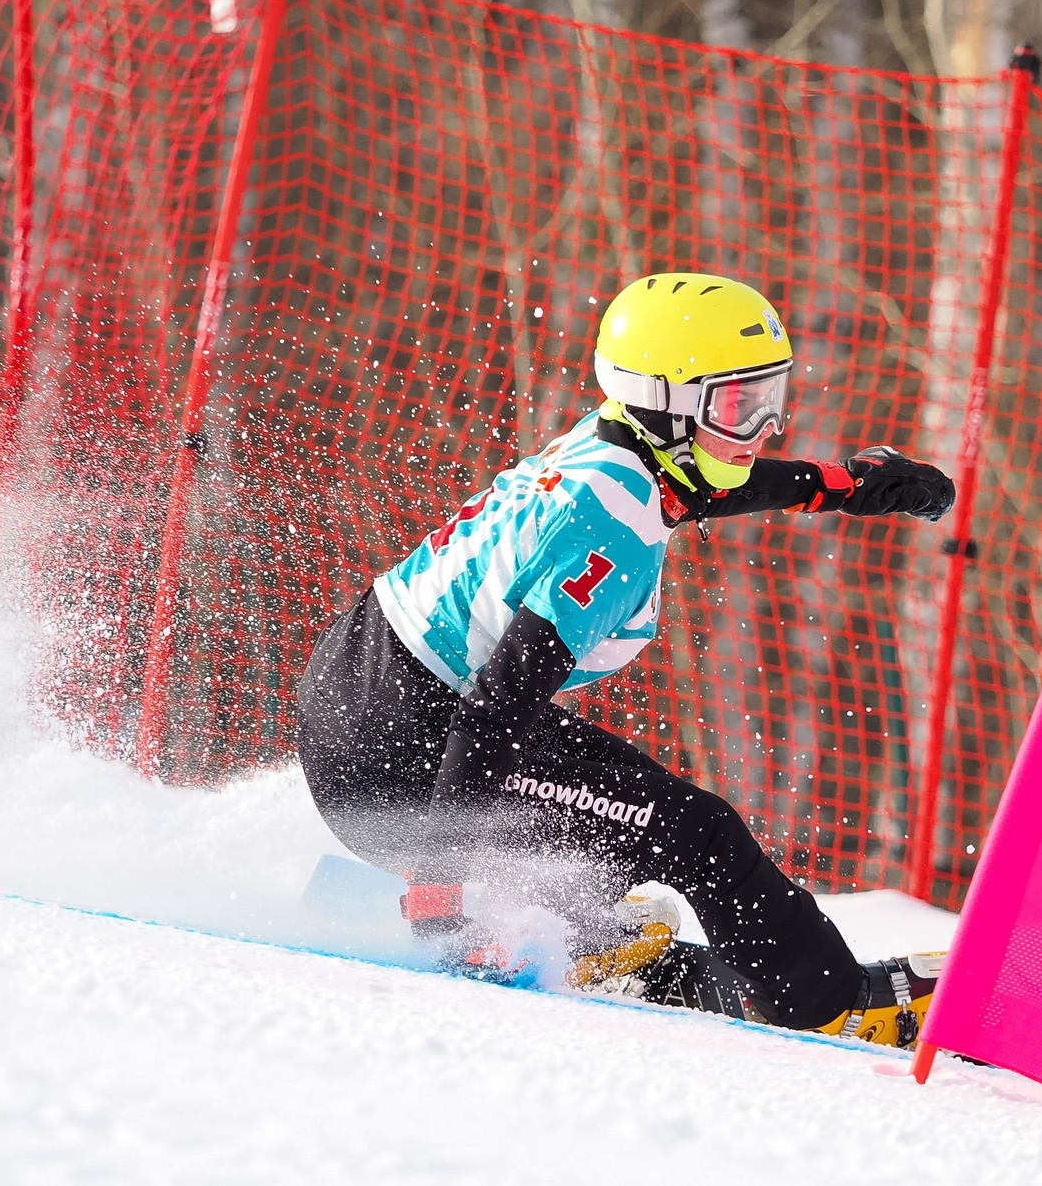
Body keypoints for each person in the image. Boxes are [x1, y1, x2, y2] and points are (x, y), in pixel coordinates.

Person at [300, 271, 958, 1044]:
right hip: (399, 758)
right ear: (669, 406)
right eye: (740, 407)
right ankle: (840, 1005)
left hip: (368, 698)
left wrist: (843, 485)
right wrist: (439, 889)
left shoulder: (619, 446)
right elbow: (494, 710)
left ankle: (573, 925)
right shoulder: (612, 526)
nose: (763, 430)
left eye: (769, 399)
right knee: (699, 831)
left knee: (631, 795)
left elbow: (702, 487)